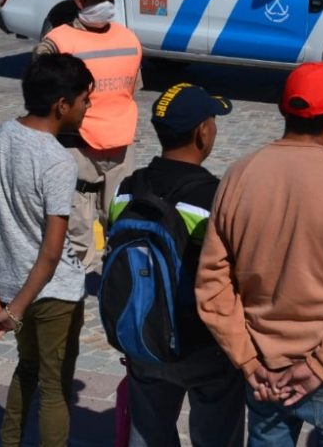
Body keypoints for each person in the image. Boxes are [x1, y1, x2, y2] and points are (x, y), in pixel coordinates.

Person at [195, 62, 323, 446]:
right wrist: (319, 366)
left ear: (283, 110)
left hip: (265, 367)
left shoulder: (240, 174)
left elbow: (212, 286)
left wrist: (248, 361)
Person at [106, 83, 245, 447]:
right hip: (204, 348)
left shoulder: (127, 189)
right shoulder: (214, 198)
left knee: (149, 434)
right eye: (212, 121)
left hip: (144, 339)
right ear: (202, 132)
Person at [0, 54, 93, 447]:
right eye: (84, 100)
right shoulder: (57, 161)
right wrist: (15, 309)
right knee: (55, 387)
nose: (87, 107)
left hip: (14, 290)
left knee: (26, 368)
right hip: (51, 295)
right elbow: (51, 252)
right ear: (62, 105)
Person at [34, 0, 143, 272]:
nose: (105, 5)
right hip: (76, 146)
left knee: (120, 216)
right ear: (79, 2)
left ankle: (116, 276)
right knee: (77, 222)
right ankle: (79, 279)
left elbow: (132, 87)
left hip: (120, 145)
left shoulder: (128, 37)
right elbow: (41, 94)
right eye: (97, 0)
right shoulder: (56, 42)